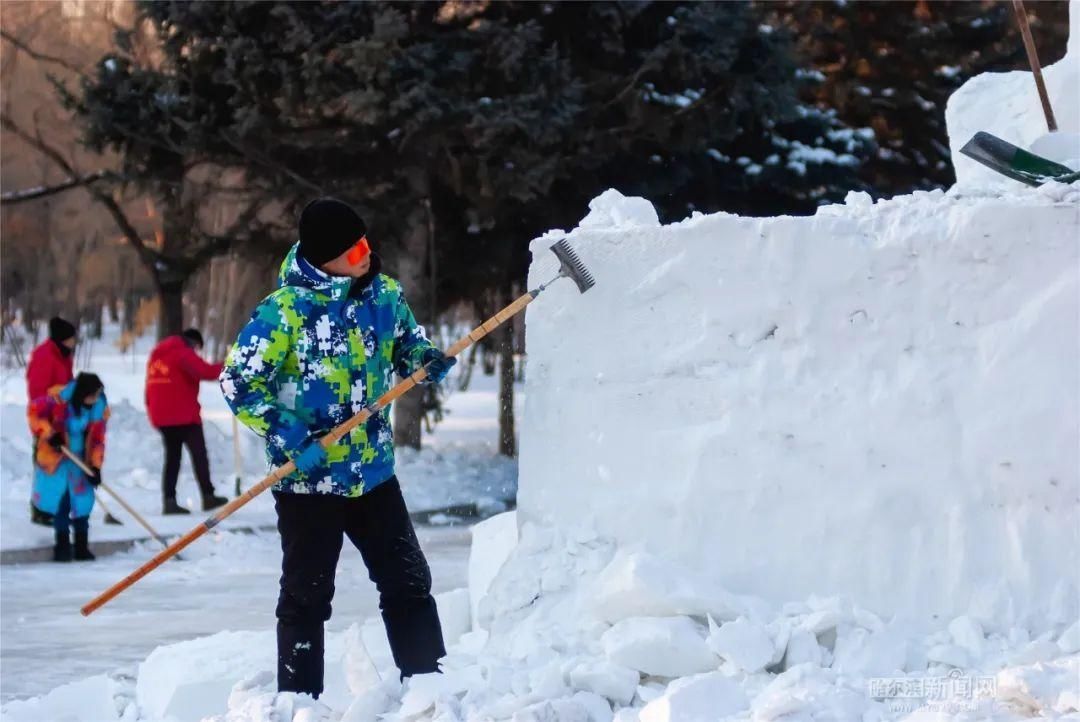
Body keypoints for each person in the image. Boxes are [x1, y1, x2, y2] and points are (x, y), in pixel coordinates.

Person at [221, 197, 456, 697]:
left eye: (366, 244)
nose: (365, 256)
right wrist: (288, 437)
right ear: (322, 256)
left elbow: (405, 343)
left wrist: (424, 358)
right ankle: (299, 703)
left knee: (408, 581)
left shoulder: (383, 296)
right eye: (352, 251)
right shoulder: (284, 312)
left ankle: (431, 690)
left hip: (372, 472)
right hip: (308, 481)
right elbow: (239, 383)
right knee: (306, 597)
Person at [146, 328, 229, 514]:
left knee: (173, 458)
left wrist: (152, 411)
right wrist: (229, 364)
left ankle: (169, 501)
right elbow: (206, 372)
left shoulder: (157, 356)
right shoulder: (183, 353)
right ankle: (208, 496)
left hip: (161, 416)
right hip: (183, 415)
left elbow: (149, 388)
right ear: (195, 343)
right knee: (199, 454)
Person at [28, 372, 108, 562]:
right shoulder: (57, 401)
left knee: (83, 503)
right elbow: (35, 415)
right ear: (81, 393)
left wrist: (96, 467)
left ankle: (81, 546)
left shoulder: (97, 408)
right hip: (59, 459)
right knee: (62, 502)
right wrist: (50, 434)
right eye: (92, 395)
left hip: (81, 461)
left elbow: (98, 440)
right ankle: (62, 546)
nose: (95, 399)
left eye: (97, 396)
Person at [25, 316, 77, 526]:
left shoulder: (63, 356)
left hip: (61, 420)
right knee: (46, 464)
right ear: (62, 339)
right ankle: (40, 510)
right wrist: (46, 428)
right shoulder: (45, 356)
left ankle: (53, 508)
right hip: (45, 421)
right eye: (72, 338)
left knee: (60, 466)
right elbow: (37, 394)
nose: (74, 342)